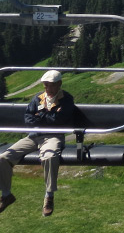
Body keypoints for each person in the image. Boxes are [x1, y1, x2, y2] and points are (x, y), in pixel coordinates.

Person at [0, 70, 76, 217]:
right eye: (46, 85)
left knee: (49, 157)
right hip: (34, 137)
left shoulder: (66, 99)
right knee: (4, 157)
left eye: (51, 85)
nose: (48, 88)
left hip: (53, 137)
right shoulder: (38, 98)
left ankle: (49, 196)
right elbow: (28, 117)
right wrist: (45, 118)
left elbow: (58, 120)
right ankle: (6, 194)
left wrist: (40, 117)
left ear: (59, 84)